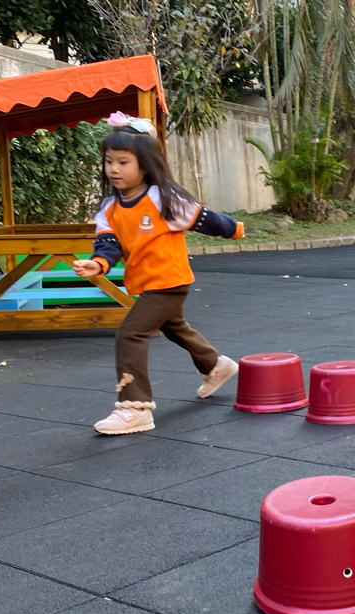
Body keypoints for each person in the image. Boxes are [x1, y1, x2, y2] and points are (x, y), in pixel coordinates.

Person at [72, 112, 244, 435]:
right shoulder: (109, 208)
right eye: (109, 161)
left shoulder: (161, 198)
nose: (114, 169)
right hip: (147, 282)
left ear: (145, 166)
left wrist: (234, 228)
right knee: (174, 327)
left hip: (170, 280)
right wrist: (98, 264)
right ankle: (215, 365)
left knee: (130, 333)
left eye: (123, 162)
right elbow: (109, 245)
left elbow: (202, 218)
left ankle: (135, 407)